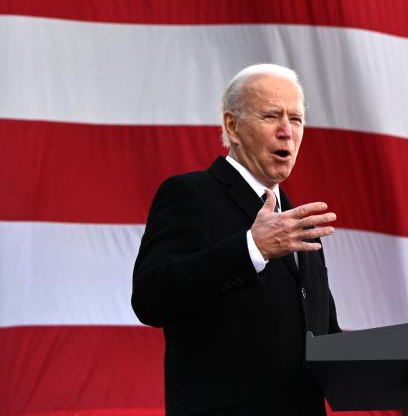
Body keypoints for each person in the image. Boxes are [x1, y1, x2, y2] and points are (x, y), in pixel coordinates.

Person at [132, 64, 341, 415]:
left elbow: (323, 335)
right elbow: (151, 297)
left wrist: (402, 367)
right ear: (233, 126)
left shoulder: (295, 220)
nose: (286, 131)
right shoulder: (191, 195)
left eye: (297, 119)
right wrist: (251, 249)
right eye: (271, 115)